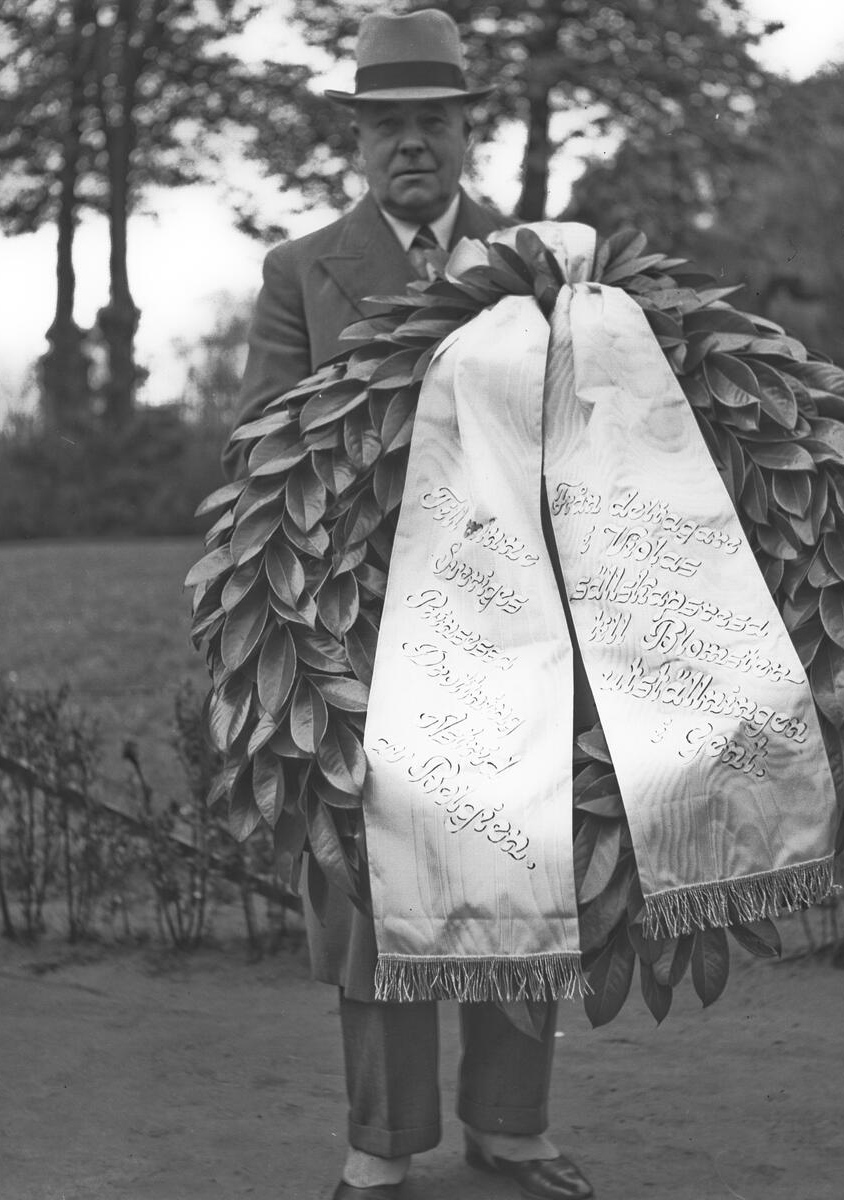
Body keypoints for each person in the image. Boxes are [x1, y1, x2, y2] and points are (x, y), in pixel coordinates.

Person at [229, 11, 594, 1200]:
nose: (412, 145)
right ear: (359, 141)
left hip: (513, 617)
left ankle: (511, 1126)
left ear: (466, 131)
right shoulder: (302, 272)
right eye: (388, 126)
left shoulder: (538, 263)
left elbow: (584, 425)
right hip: (366, 626)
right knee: (373, 876)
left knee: (518, 862)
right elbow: (261, 449)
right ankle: (382, 1144)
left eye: (433, 121)